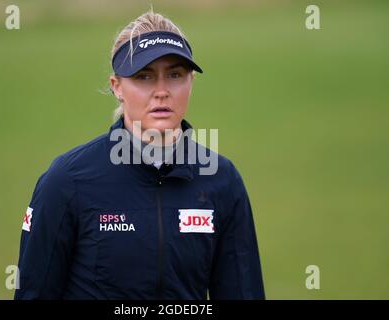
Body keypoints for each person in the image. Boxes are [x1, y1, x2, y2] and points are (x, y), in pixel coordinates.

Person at [14, 10, 265, 300]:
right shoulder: (66, 181)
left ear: (191, 82)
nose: (161, 91)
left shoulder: (222, 180)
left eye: (174, 75)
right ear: (117, 87)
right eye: (144, 76)